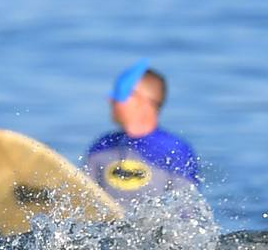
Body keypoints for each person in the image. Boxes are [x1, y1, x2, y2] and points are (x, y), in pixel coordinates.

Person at [85, 59, 201, 205]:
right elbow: (85, 200)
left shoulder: (174, 150)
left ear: (141, 100)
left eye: (119, 94)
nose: (110, 99)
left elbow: (188, 210)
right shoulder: (102, 146)